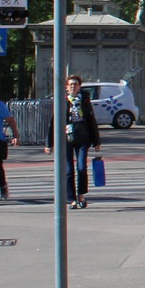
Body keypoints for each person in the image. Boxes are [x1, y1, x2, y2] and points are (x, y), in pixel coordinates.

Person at [52, 74, 102, 209]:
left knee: (81, 168)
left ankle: (81, 195)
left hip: (82, 138)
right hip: (66, 139)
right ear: (66, 87)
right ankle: (71, 199)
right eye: (71, 85)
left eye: (75, 84)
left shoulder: (84, 100)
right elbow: (54, 122)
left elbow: (91, 120)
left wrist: (96, 141)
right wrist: (49, 143)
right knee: (68, 170)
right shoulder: (62, 100)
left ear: (79, 87)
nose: (73, 87)